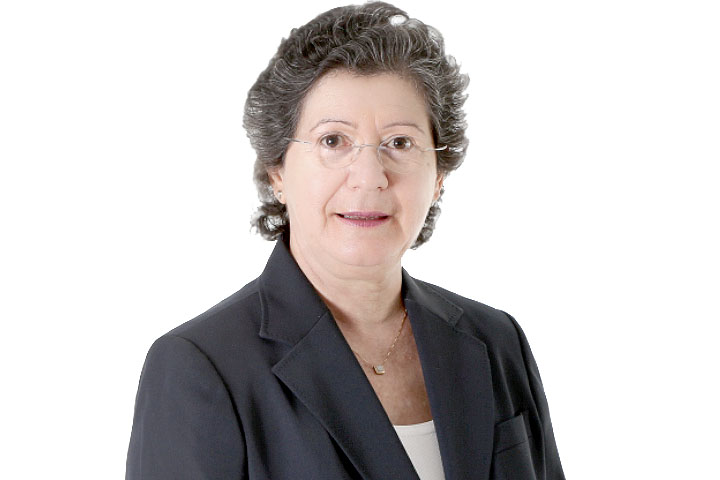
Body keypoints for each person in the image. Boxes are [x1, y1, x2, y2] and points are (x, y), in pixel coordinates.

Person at [126, 2, 565, 479]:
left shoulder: (496, 341)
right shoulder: (200, 367)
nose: (370, 176)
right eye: (333, 141)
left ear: (439, 175)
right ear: (277, 171)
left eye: (399, 143)